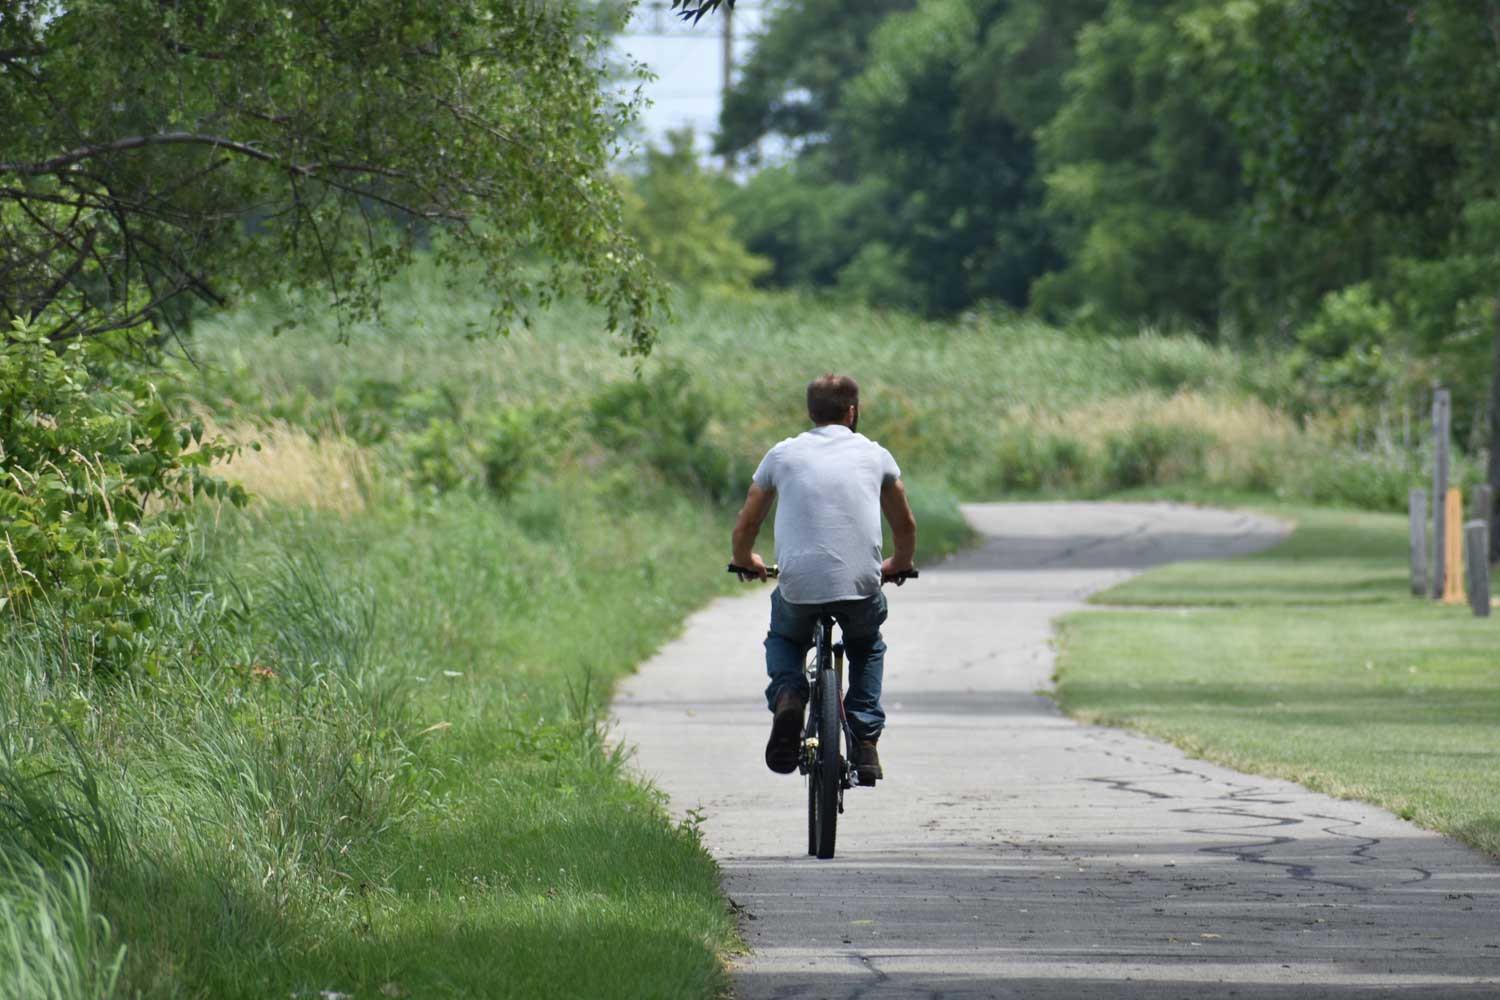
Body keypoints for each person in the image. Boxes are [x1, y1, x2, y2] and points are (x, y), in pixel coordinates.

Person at [730, 373, 918, 782]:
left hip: (799, 587)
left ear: (810, 413)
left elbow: (747, 524)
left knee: (784, 637)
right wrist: (899, 562)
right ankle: (865, 740)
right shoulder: (876, 455)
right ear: (852, 412)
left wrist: (746, 559)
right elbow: (905, 525)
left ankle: (788, 695)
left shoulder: (782, 455)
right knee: (866, 645)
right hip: (860, 587)